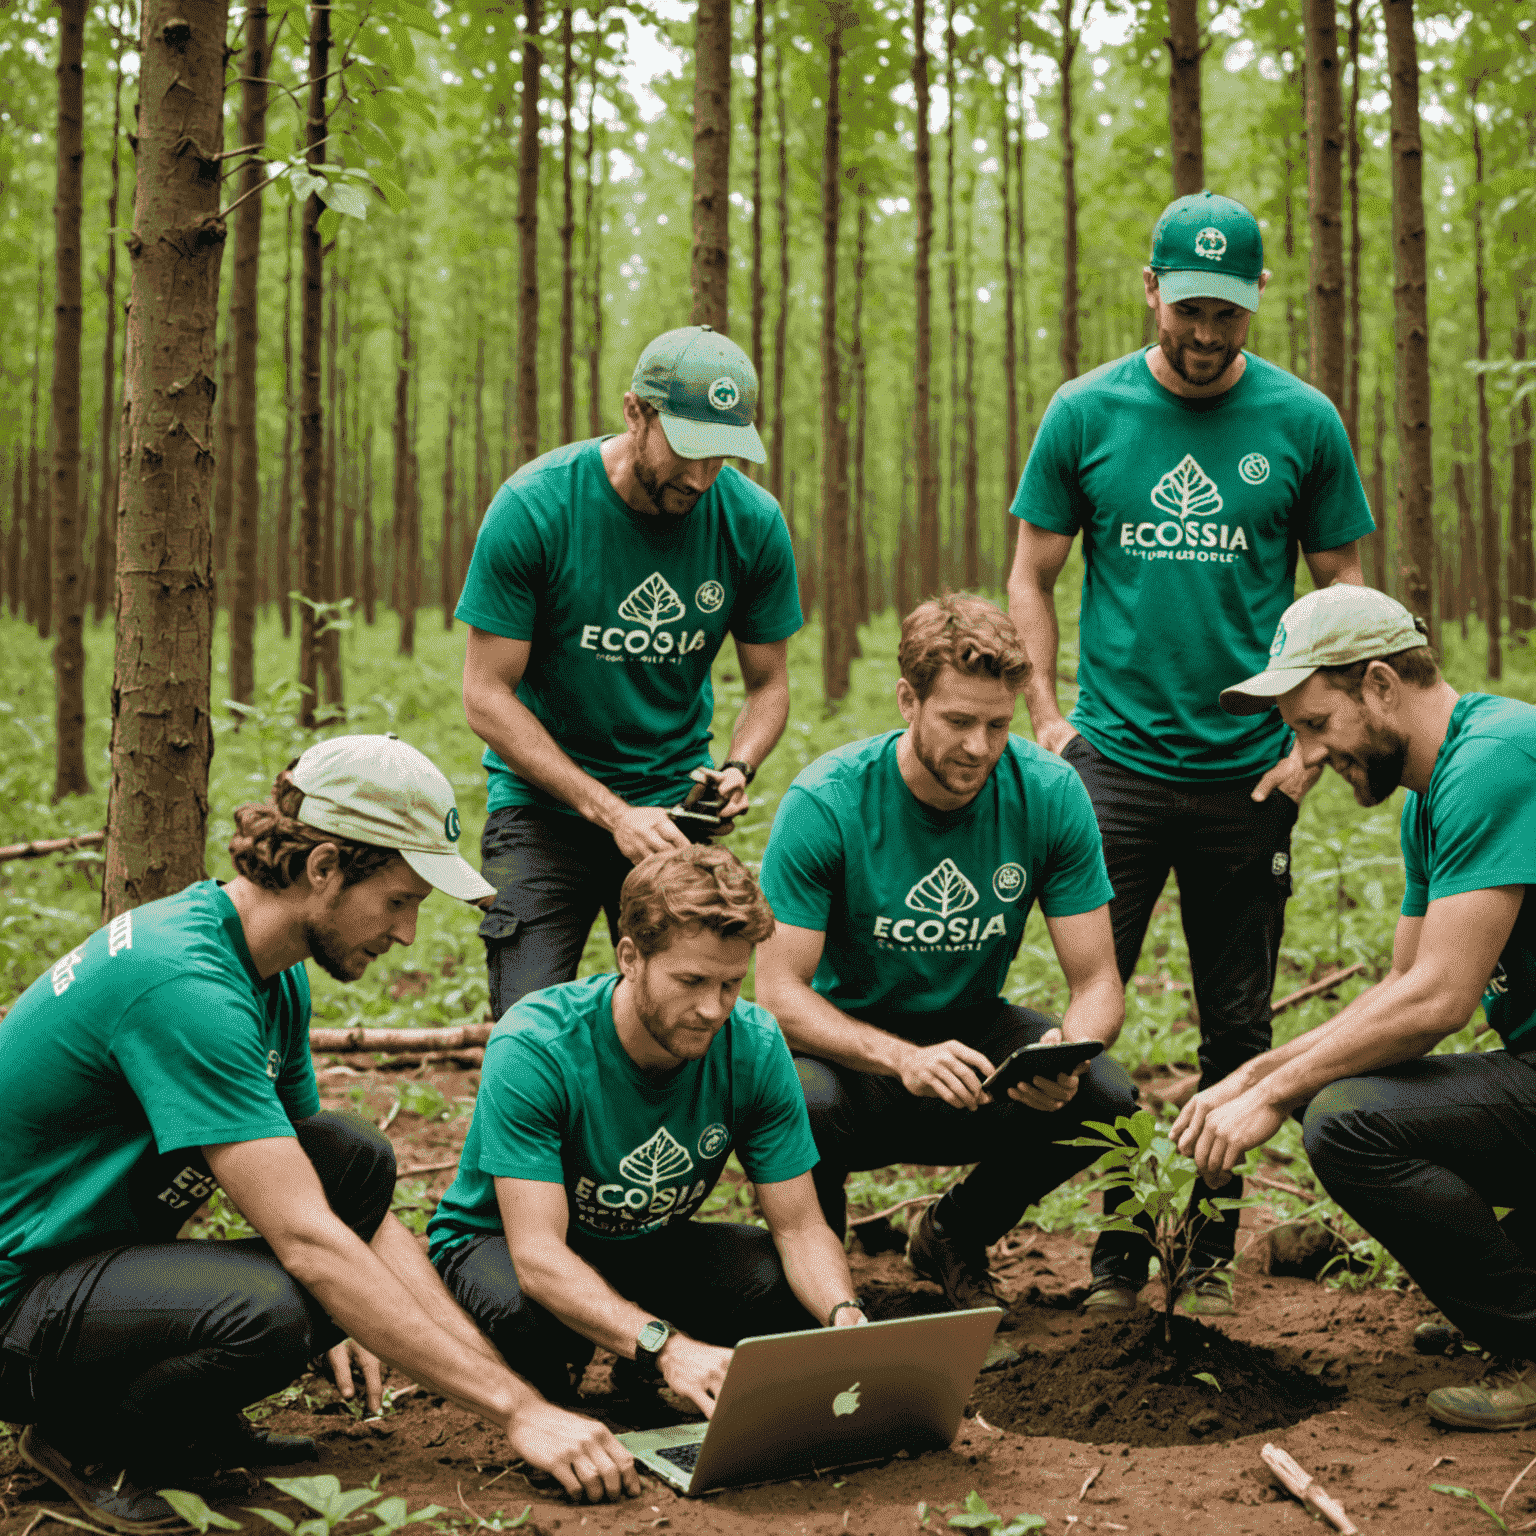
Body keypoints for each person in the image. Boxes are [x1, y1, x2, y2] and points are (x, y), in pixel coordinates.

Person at [0, 736, 641, 1534]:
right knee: (266, 1312)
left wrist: (501, 1379)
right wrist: (514, 1410)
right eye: (400, 900)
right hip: (16, 1301)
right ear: (324, 867)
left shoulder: (271, 973)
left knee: (351, 1157)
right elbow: (307, 1240)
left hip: (89, 1257)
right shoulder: (185, 986)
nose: (407, 932)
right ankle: (87, 1440)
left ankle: (182, 1416)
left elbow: (345, 1206)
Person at [1005, 190, 1377, 1314]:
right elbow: (1032, 571)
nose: (1210, 336)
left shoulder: (1303, 420)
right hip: (1111, 766)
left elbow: (1345, 590)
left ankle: (1202, 1260)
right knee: (1090, 1016)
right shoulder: (1085, 412)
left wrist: (1310, 750)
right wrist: (1045, 717)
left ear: (1255, 306)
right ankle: (1118, 1258)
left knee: (1238, 1027)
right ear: (1153, 290)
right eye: (1192, 309)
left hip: (1247, 769)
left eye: (1232, 314)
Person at [1174, 584, 1536, 1429]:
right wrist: (1259, 1072)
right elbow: (1402, 988)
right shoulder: (1433, 793)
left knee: (1348, 1120)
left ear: (1379, 685)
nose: (1304, 753)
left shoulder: (1497, 760)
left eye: (1313, 723)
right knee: (1340, 1092)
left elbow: (1441, 1001)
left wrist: (1277, 1094)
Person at [752, 594, 1137, 1317]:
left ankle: (956, 1232)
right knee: (797, 1098)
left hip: (975, 1043)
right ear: (907, 700)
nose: (979, 747)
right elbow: (777, 994)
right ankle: (818, 1290)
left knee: (1107, 1096)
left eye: (998, 724)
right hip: (847, 1055)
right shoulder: (829, 801)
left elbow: (1098, 982)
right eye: (958, 721)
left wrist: (1069, 1050)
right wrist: (901, 1059)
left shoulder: (1050, 794)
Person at [427, 844, 867, 1418]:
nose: (713, 1009)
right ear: (631, 957)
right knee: (529, 1320)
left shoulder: (753, 1045)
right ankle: (580, 1371)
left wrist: (845, 1317)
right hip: (504, 1244)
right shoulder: (537, 1046)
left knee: (786, 1292)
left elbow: (801, 1226)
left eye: (731, 985)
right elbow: (537, 1255)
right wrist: (667, 1347)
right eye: (691, 980)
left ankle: (625, 1349)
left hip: (642, 1245)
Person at [458, 324, 802, 1020]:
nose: (703, 477)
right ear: (635, 413)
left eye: (722, 455)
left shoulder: (753, 523)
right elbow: (485, 694)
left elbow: (769, 685)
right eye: (688, 450)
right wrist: (610, 811)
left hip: (672, 812)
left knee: (683, 1018)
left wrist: (738, 767)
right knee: (527, 1025)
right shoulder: (538, 506)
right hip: (541, 808)